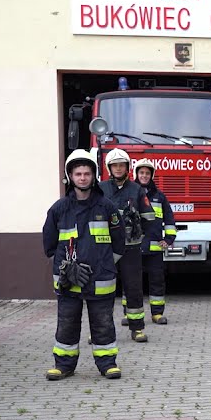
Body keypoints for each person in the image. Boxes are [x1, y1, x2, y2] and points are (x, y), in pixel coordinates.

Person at [42, 150, 125, 381]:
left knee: (103, 323)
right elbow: (49, 245)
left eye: (87, 173)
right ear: (70, 176)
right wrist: (63, 267)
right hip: (68, 280)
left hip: (101, 278)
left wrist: (106, 266)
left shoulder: (107, 207)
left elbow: (119, 245)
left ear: (94, 176)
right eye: (78, 173)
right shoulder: (59, 209)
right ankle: (64, 366)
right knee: (67, 324)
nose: (82, 178)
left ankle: (108, 364)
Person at [99, 148, 162, 342]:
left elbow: (149, 217)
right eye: (115, 165)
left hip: (131, 248)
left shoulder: (136, 189)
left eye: (122, 165)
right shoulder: (100, 189)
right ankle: (100, 331)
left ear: (127, 167)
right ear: (109, 167)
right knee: (102, 292)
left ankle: (137, 328)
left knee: (133, 288)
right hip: (105, 249)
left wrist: (143, 234)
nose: (118, 168)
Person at [132, 158, 177, 325]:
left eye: (147, 173)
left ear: (151, 175)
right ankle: (129, 313)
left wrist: (169, 238)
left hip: (155, 248)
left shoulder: (159, 197)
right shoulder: (130, 193)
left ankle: (157, 313)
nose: (144, 176)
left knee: (157, 281)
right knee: (132, 282)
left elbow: (170, 219)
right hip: (133, 248)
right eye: (141, 172)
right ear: (136, 174)